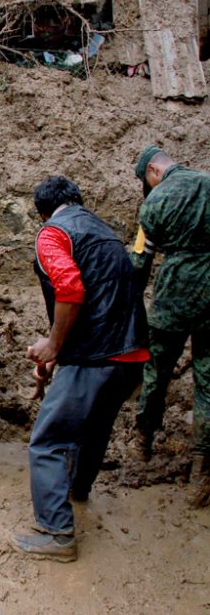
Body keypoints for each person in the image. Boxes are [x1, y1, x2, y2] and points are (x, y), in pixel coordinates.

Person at [12, 176, 149, 562]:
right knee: (95, 427)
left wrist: (53, 345)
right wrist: (59, 354)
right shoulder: (104, 232)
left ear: (42, 212)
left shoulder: (52, 233)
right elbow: (106, 297)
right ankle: (78, 489)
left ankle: (58, 534)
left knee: (47, 441)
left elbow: (70, 290)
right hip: (131, 355)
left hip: (95, 358)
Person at [130, 145, 210, 508]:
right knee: (207, 383)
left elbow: (140, 263)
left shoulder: (154, 203)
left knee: (157, 369)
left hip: (173, 299)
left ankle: (143, 441)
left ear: (152, 173)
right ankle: (201, 467)